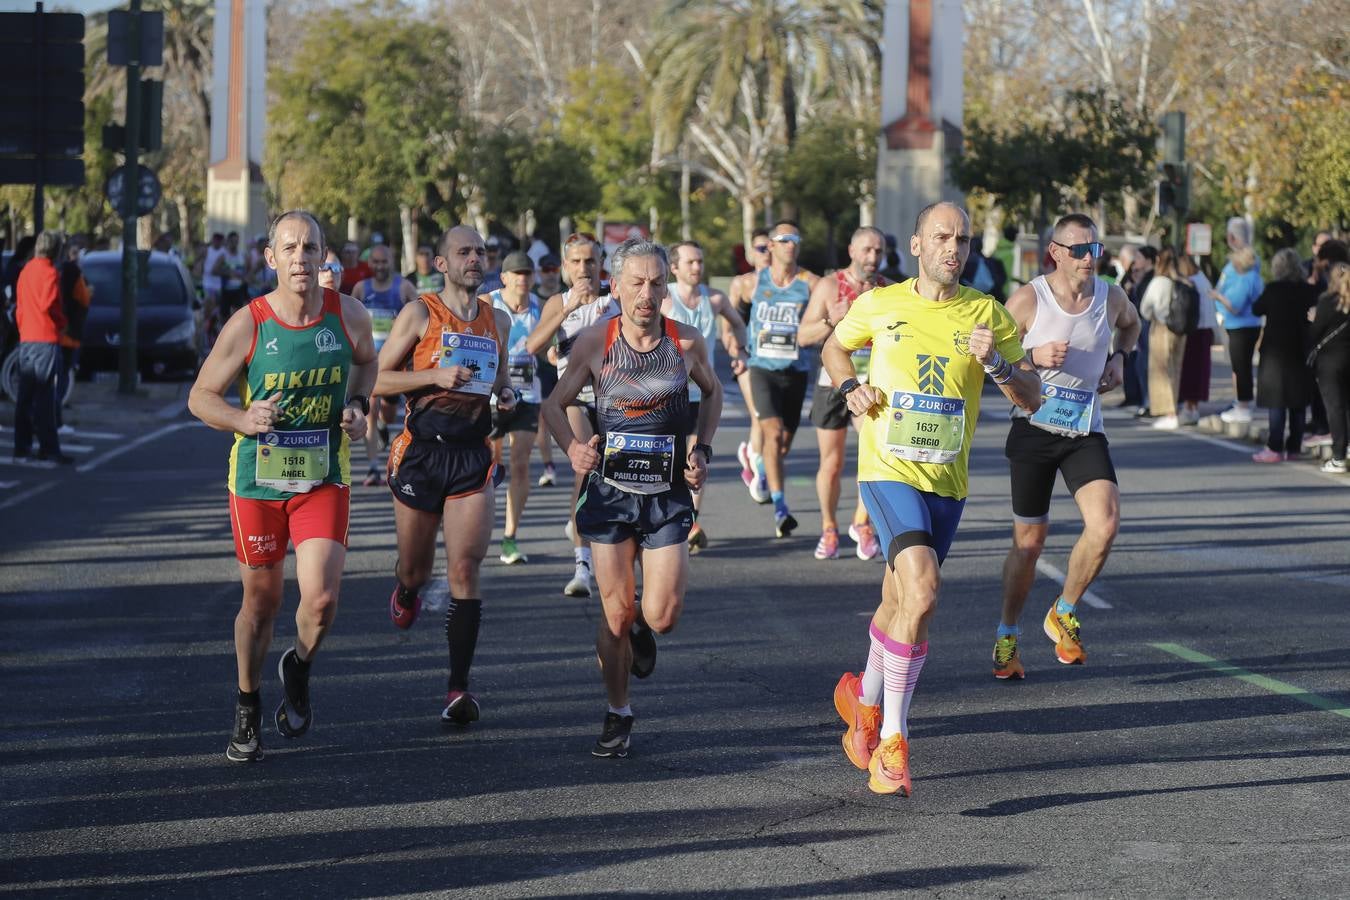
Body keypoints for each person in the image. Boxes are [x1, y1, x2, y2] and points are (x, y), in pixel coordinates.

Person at [822, 202, 1040, 796]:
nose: (954, 247)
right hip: (887, 469)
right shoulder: (881, 303)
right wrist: (852, 388)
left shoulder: (987, 313)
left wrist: (994, 360)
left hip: (947, 481)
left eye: (963, 239)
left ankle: (863, 700)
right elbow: (834, 348)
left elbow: (1032, 398)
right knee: (922, 590)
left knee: (902, 601)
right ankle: (892, 740)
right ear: (916, 245)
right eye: (941, 236)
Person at [187, 210, 377, 763]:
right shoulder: (250, 323)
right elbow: (201, 397)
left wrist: (359, 405)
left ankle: (298, 665)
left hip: (322, 474)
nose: (300, 257)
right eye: (289, 248)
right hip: (258, 479)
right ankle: (247, 702)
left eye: (309, 247)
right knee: (262, 602)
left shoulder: (350, 315)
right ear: (270, 258)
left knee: (320, 599)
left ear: (324, 257)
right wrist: (244, 420)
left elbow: (368, 364)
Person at [540, 237, 722, 758]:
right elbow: (555, 405)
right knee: (614, 614)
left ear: (667, 288)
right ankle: (618, 712)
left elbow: (713, 393)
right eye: (636, 283)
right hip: (611, 493)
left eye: (656, 283)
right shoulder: (596, 342)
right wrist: (574, 449)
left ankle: (645, 624)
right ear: (615, 286)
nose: (647, 293)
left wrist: (702, 449)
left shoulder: (685, 343)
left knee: (661, 616)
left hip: (665, 494)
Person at [374, 225, 517, 727]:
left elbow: (498, 378)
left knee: (464, 571)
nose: (475, 258)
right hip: (421, 454)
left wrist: (505, 394)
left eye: (481, 251)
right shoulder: (420, 314)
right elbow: (373, 379)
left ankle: (459, 688)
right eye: (465, 252)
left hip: (472, 455)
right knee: (417, 569)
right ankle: (407, 589)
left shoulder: (498, 319)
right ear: (442, 264)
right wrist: (432, 376)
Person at [991, 213, 1139, 680]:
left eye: (1095, 249)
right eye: (1079, 250)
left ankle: (1065, 609)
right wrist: (1030, 357)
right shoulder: (1027, 300)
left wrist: (1119, 357)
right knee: (1030, 545)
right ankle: (1007, 634)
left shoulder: (1110, 296)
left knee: (1106, 523)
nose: (1089, 258)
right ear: (1055, 252)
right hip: (1033, 428)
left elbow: (1132, 326)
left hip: (1083, 430)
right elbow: (988, 359)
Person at [527, 232, 618, 598]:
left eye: (590, 261)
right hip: (573, 398)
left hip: (616, 399)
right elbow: (532, 346)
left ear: (601, 265)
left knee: (615, 477)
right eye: (576, 262)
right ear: (565, 267)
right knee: (585, 466)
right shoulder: (558, 301)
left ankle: (612, 552)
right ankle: (582, 566)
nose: (584, 269)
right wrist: (568, 310)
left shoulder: (618, 296)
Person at [798, 226, 891, 561]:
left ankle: (861, 523)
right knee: (833, 463)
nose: (873, 257)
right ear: (851, 250)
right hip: (833, 383)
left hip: (871, 386)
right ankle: (828, 527)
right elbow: (802, 336)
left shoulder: (889, 291)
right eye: (867, 250)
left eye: (878, 251)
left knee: (874, 456)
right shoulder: (829, 286)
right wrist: (829, 319)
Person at [662, 240, 749, 553]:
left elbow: (738, 325)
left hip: (704, 390)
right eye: (690, 262)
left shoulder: (713, 298)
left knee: (695, 455)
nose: (697, 267)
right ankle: (672, 516)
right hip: (669, 393)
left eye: (699, 261)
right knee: (670, 457)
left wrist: (740, 352)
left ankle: (691, 520)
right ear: (674, 268)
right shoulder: (664, 299)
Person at [744, 220, 821, 537]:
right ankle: (780, 509)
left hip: (796, 372)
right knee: (772, 434)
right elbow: (730, 312)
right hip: (761, 369)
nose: (791, 244)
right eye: (784, 239)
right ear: (771, 246)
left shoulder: (811, 283)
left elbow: (826, 312)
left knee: (783, 445)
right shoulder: (751, 282)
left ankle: (760, 465)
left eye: (796, 239)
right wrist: (736, 340)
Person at [487, 251, 544, 564]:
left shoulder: (540, 307)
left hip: (527, 397)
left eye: (527, 273)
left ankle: (510, 536)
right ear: (504, 278)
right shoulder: (487, 302)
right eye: (516, 273)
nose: (523, 279)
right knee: (489, 466)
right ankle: (478, 526)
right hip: (489, 398)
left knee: (521, 464)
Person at [352, 244, 417, 485]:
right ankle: (373, 468)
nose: (380, 267)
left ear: (392, 261)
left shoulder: (404, 287)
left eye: (384, 262)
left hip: (394, 363)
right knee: (369, 410)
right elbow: (349, 317)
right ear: (370, 264)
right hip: (368, 361)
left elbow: (422, 316)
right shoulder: (361, 288)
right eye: (376, 262)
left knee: (387, 414)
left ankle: (382, 424)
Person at [1250, 248, 1319, 462]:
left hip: (1275, 351)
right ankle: (1294, 447)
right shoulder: (1308, 291)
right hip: (1300, 348)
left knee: (1277, 400)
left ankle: (1274, 446)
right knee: (1298, 402)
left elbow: (1256, 309)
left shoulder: (1273, 289)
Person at [11, 231, 73, 465]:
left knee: (25, 396)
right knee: (46, 396)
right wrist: (62, 323)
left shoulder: (26, 270)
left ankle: (21, 446)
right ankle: (49, 447)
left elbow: (20, 306)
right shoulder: (49, 272)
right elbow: (49, 303)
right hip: (45, 337)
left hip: (27, 336)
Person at [728, 227, 772, 502]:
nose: (767, 253)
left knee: (774, 423)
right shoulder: (742, 283)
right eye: (760, 248)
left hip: (777, 362)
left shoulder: (788, 285)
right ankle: (760, 473)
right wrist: (736, 350)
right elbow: (728, 323)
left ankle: (750, 455)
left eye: (771, 247)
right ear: (750, 253)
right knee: (760, 416)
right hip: (749, 359)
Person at [1211, 219, 1264, 424]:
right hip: (1237, 323)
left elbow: (1235, 303)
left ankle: (1243, 404)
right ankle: (1240, 401)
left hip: (1241, 323)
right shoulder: (1248, 268)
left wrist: (1218, 297)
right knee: (1239, 366)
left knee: (1241, 366)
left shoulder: (1245, 271)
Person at [1138, 248, 1188, 430]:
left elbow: (1145, 308)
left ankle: (1169, 413)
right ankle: (1175, 407)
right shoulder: (1181, 281)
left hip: (1161, 327)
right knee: (1175, 369)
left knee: (1161, 371)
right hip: (1180, 330)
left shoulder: (1159, 282)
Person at [1310, 262, 1350, 473]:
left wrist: (1312, 319)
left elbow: (1316, 332)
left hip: (1330, 362)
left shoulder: (1327, 301)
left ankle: (1338, 456)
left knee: (1335, 407)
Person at [56, 236, 92, 431]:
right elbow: (84, 298)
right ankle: (56, 418)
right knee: (61, 377)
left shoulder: (60, 271)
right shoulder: (74, 272)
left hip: (59, 331)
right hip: (68, 332)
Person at [533, 252, 563, 485]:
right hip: (541, 365)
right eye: (546, 271)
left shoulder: (566, 294)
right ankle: (549, 466)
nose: (551, 275)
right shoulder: (533, 297)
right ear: (539, 273)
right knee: (543, 417)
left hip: (567, 363)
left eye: (554, 270)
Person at [1176, 254, 1216, 425]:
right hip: (1205, 329)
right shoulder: (1203, 279)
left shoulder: (1191, 282)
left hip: (1194, 329)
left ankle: (1188, 407)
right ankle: (1193, 407)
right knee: (1199, 371)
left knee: (1190, 371)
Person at [216, 232, 249, 318]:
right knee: (224, 316)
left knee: (238, 316)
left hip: (238, 289)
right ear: (228, 241)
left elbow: (248, 270)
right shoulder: (224, 256)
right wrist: (227, 273)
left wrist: (244, 276)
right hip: (226, 289)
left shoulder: (242, 255)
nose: (235, 243)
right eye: (233, 241)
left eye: (236, 241)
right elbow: (214, 270)